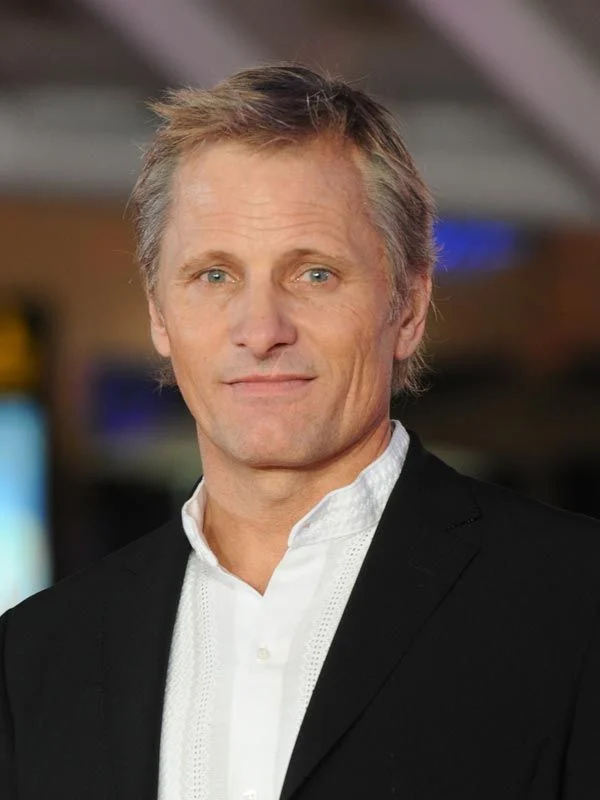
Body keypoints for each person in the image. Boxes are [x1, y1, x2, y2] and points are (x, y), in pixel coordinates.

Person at [1, 64, 600, 800]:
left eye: (314, 274)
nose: (260, 330)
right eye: (214, 276)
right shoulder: (35, 658)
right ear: (159, 313)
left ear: (409, 307)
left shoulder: (575, 605)